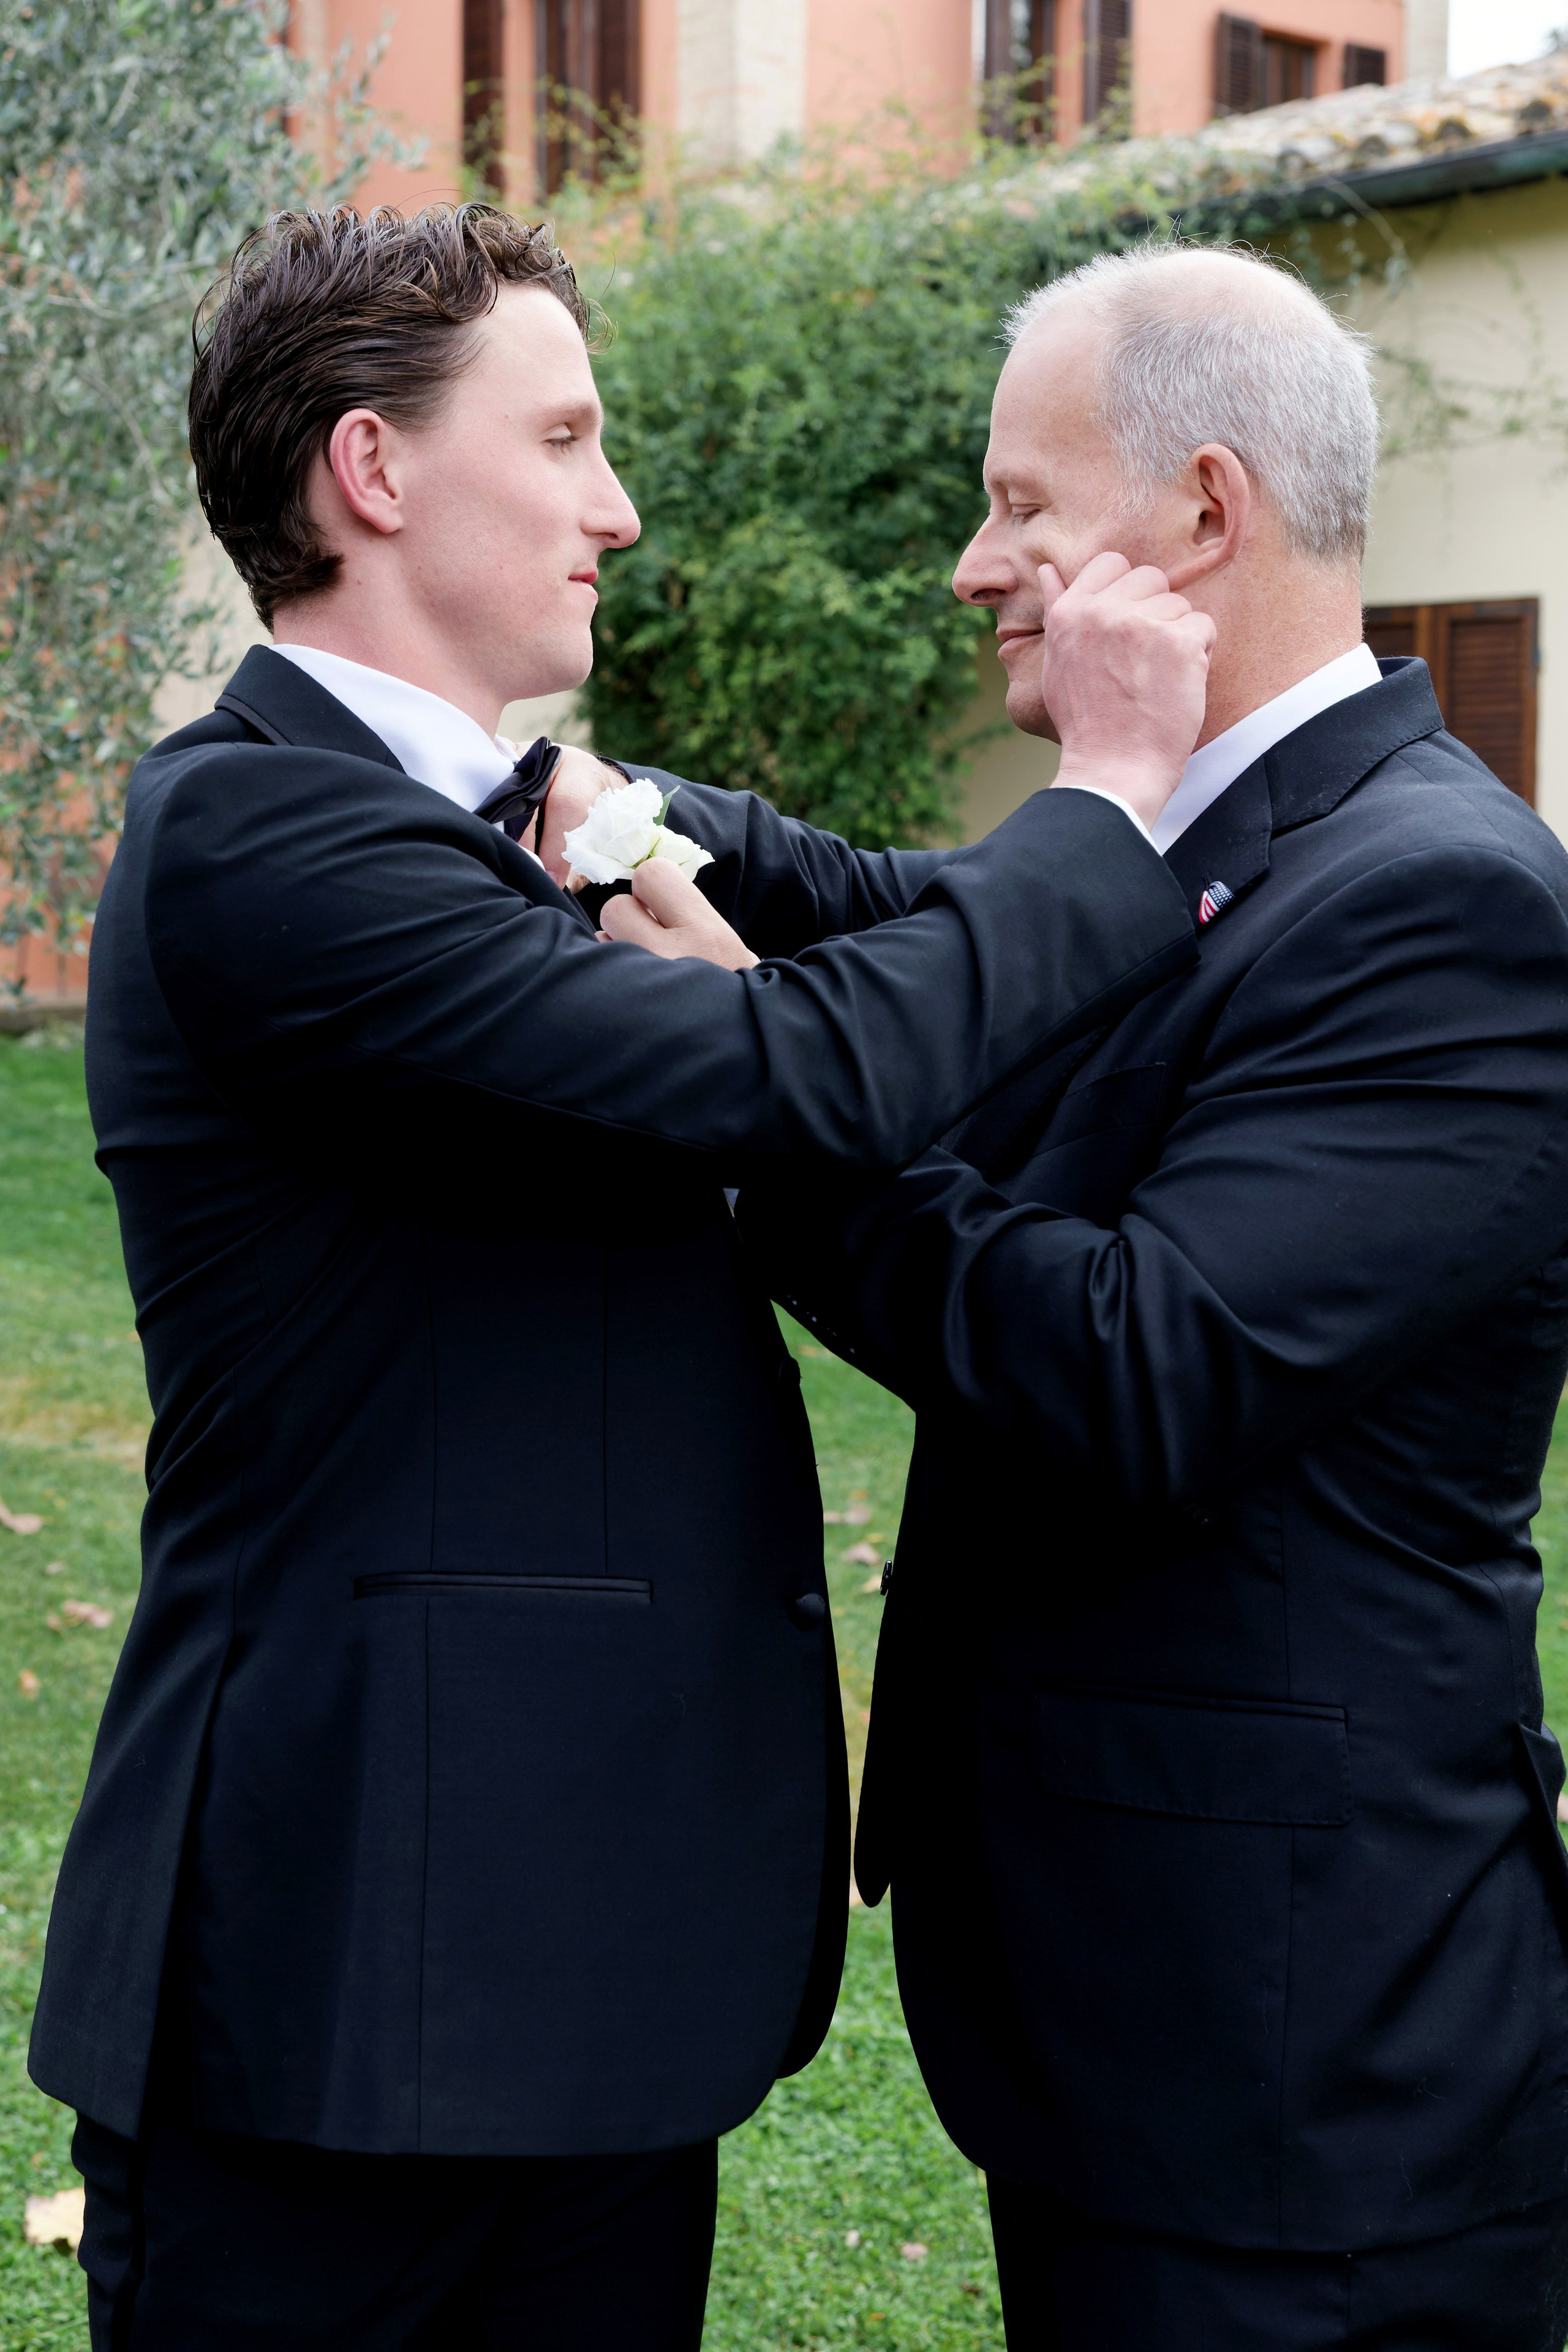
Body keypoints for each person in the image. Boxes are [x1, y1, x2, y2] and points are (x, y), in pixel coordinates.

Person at [29, 203, 1211, 2350]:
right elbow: (796, 1067)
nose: (621, 505)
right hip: (347, 1987)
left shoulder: (532, 804)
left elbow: (885, 916)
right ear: (373, 474)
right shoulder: (258, 834)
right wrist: (1113, 799)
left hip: (586, 1989)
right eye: (564, 436)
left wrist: (1231, 835)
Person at [742, 243, 1568, 2349]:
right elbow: (940, 914)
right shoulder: (1216, 828)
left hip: (1300, 2073)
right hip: (1136, 2015)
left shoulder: (1442, 903)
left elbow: (1149, 1362)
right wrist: (655, 825)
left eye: (1022, 504)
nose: (969, 564)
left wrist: (752, 1109)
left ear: (1207, 513)